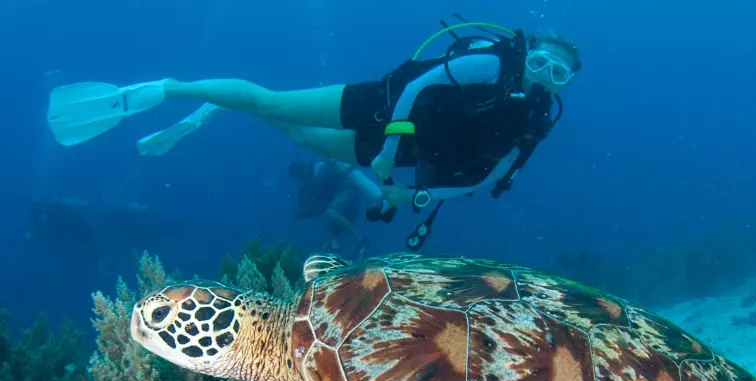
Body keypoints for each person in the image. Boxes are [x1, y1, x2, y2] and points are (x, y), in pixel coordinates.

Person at [47, 21, 581, 249]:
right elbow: (417, 88)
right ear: (528, 51)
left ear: (565, 83)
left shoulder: (535, 120)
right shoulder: (490, 65)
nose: (543, 75)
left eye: (558, 74)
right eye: (540, 62)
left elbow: (487, 177)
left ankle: (216, 106)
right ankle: (168, 88)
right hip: (380, 105)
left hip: (399, 154)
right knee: (273, 100)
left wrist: (411, 191)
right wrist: (391, 148)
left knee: (298, 137)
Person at [289, 157, 378, 259]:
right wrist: (304, 213)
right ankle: (339, 255)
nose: (299, 180)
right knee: (328, 235)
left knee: (331, 212)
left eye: (297, 176)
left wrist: (304, 211)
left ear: (301, 170)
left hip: (348, 196)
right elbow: (320, 205)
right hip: (347, 204)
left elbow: (320, 202)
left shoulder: (320, 170)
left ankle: (360, 241)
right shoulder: (316, 175)